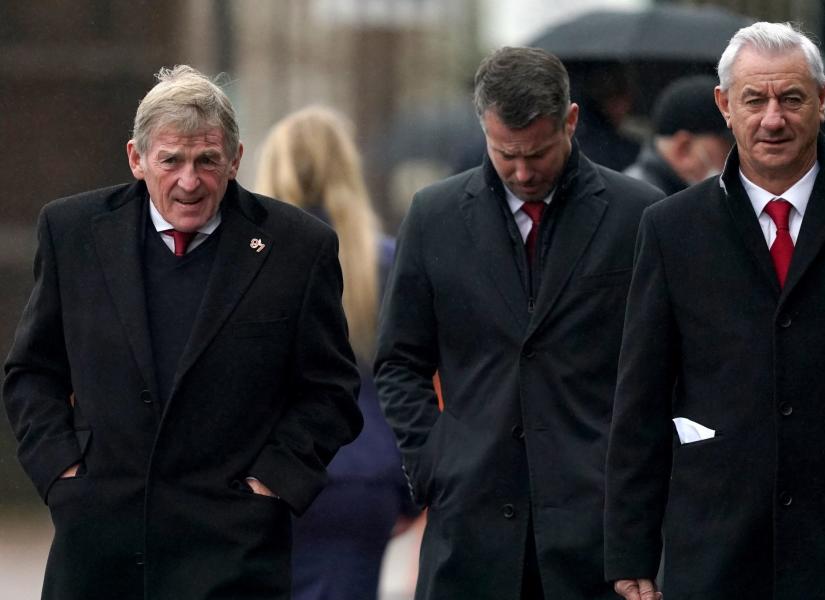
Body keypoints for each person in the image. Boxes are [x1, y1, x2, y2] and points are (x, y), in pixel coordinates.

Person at [604, 21, 825, 600]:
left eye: (791, 98)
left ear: (820, 102)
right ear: (725, 106)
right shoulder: (671, 229)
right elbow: (640, 397)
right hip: (715, 542)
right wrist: (629, 546)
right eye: (755, 100)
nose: (773, 118)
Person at [3, 66, 363, 600]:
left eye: (207, 161)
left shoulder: (297, 248)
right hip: (99, 548)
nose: (189, 181)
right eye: (170, 160)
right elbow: (34, 372)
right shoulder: (72, 233)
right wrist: (64, 473)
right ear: (137, 159)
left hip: (234, 554)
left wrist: (270, 486)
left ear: (235, 160)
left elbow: (330, 390)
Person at [375, 46, 663, 600]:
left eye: (538, 152)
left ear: (571, 121)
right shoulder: (434, 217)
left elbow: (662, 365)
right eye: (505, 154)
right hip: (471, 532)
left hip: (597, 536)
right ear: (482, 126)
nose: (523, 171)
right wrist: (435, 461)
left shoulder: (639, 216)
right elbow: (399, 361)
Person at [255, 105, 419, 600]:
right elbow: (411, 377)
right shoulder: (385, 263)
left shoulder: (249, 261)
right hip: (363, 476)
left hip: (267, 475)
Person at [623, 75, 733, 195]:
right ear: (683, 149)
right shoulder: (643, 200)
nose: (736, 157)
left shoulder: (650, 191)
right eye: (727, 148)